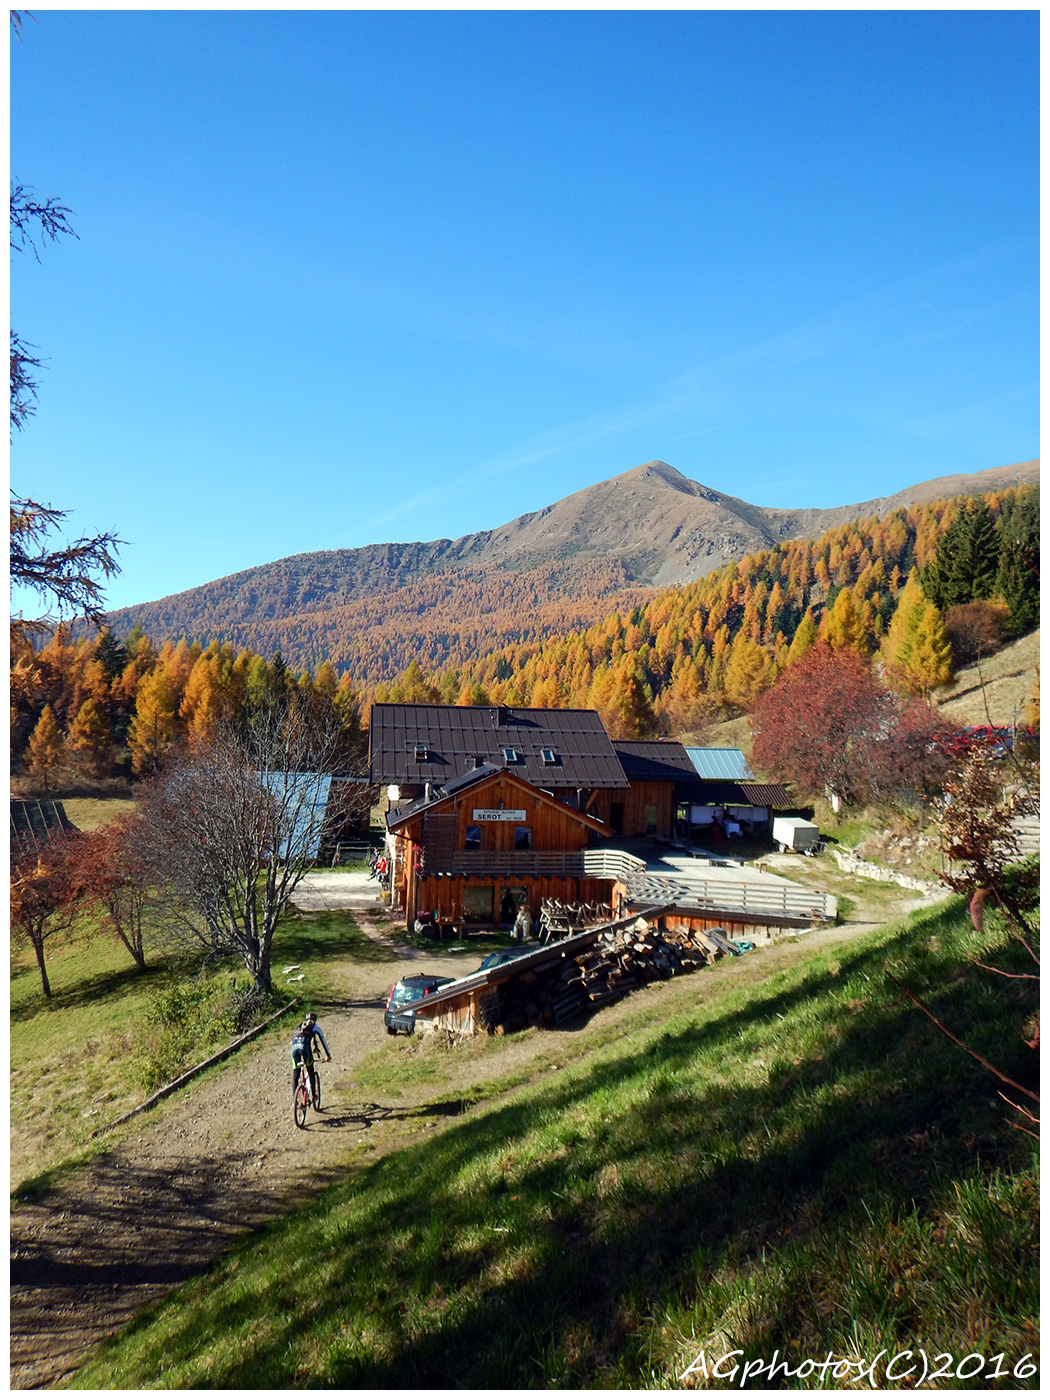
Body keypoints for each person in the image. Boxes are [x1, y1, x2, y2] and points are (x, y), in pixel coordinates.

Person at [291, 1011, 331, 1102]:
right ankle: (314, 1096)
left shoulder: (299, 1026)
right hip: (305, 1049)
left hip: (294, 1049)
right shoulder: (315, 1027)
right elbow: (323, 1041)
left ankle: (294, 1101)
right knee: (310, 1071)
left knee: (296, 1075)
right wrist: (328, 1055)